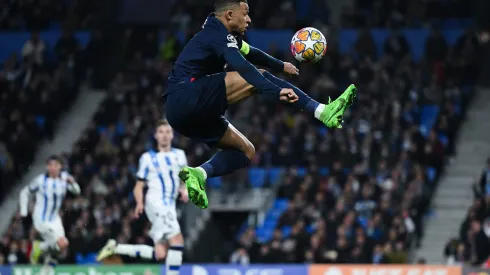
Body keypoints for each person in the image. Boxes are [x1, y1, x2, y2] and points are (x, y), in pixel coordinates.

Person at [165, 0, 357, 209]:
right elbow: (242, 65)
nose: (249, 19)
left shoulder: (224, 35)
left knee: (246, 151)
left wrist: (280, 65)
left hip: (182, 115)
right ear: (229, 15)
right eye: (245, 13)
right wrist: (274, 92)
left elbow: (250, 52)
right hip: (185, 94)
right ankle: (321, 111)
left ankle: (199, 173)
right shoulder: (216, 33)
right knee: (256, 77)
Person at [97, 119, 188, 275]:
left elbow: (184, 178)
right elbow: (139, 185)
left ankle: (116, 247)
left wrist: (184, 189)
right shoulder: (147, 158)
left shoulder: (180, 155)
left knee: (160, 253)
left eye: (167, 132)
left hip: (169, 205)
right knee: (177, 240)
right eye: (161, 132)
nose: (164, 135)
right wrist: (139, 203)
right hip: (156, 202)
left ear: (172, 135)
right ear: (156, 136)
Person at [19, 155, 81, 264]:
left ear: (60, 166)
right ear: (47, 167)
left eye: (55, 165)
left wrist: (73, 183)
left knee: (64, 244)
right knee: (60, 243)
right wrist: (23, 211)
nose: (53, 167)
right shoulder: (40, 180)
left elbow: (77, 191)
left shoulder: (64, 178)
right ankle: (41, 248)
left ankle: (44, 254)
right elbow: (24, 192)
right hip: (41, 218)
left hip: (55, 219)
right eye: (50, 165)